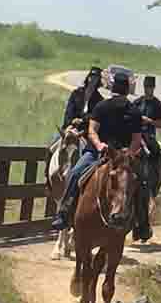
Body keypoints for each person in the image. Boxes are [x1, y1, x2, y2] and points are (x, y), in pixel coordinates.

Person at [51, 72, 149, 238]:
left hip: (103, 154)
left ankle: (64, 213)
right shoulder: (131, 110)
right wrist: (123, 151)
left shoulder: (103, 106)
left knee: (76, 173)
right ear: (127, 90)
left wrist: (100, 146)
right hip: (109, 154)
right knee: (143, 183)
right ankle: (142, 224)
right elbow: (136, 140)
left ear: (113, 88)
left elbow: (92, 131)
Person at [131, 75, 161, 242]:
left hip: (149, 135)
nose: (148, 89)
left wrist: (150, 121)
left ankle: (156, 178)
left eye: (150, 87)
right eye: (146, 87)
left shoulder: (158, 104)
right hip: (135, 135)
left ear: (153, 88)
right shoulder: (136, 103)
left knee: (157, 152)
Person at [60, 67, 104, 136]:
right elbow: (69, 110)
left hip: (86, 130)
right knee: (54, 141)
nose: (92, 79)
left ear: (98, 81)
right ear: (88, 77)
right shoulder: (76, 93)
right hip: (70, 127)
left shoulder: (99, 99)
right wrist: (70, 122)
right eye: (91, 76)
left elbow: (94, 115)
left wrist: (82, 120)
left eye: (95, 78)